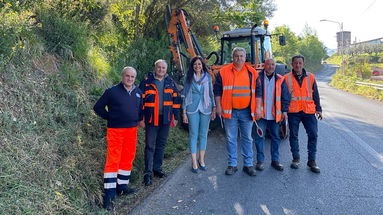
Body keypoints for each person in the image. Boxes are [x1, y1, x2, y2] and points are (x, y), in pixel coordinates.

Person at [93, 66, 143, 211]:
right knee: (113, 160)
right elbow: (98, 108)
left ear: (135, 78)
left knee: (127, 158)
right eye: (127, 76)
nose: (130, 79)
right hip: (116, 130)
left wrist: (139, 119)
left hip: (132, 130)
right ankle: (109, 195)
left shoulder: (138, 92)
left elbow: (140, 111)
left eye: (132, 77)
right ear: (122, 76)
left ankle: (122, 187)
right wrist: (111, 117)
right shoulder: (112, 92)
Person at [214, 47, 262, 176]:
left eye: (241, 56)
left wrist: (258, 108)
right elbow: (217, 91)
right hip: (230, 111)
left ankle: (248, 165)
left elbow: (258, 92)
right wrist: (218, 106)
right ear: (232, 57)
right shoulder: (224, 72)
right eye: (236, 56)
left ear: (245, 58)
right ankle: (232, 164)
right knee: (231, 138)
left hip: (247, 111)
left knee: (247, 138)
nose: (239, 58)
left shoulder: (252, 72)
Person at [139, 59, 181, 186]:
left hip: (166, 119)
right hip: (151, 119)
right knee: (150, 146)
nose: (161, 70)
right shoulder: (146, 82)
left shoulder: (170, 82)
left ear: (166, 69)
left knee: (161, 145)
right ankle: (148, 173)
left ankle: (157, 168)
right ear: (155, 68)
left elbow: (176, 100)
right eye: (159, 67)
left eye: (163, 68)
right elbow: (139, 101)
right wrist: (141, 118)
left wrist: (175, 116)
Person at [284, 55, 323, 173]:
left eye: (300, 63)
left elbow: (315, 93)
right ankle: (296, 159)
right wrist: (284, 111)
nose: (298, 65)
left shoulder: (311, 77)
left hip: (308, 111)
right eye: (295, 63)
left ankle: (312, 161)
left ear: (303, 64)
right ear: (292, 64)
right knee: (293, 136)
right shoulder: (286, 78)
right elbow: (284, 96)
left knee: (313, 134)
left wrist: (319, 109)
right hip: (293, 111)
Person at [252, 58, 290, 172]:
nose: (271, 67)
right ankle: (260, 161)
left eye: (273, 64)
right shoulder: (257, 78)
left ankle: (275, 161)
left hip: (275, 116)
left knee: (275, 138)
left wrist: (284, 111)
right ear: (264, 65)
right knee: (259, 138)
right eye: (268, 64)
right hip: (261, 115)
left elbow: (285, 96)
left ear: (275, 66)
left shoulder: (281, 79)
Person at [182, 56, 216, 173]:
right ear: (192, 66)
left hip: (206, 109)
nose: (197, 66)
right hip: (192, 109)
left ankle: (201, 160)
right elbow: (185, 95)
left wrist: (214, 108)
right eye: (195, 64)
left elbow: (211, 94)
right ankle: (194, 162)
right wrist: (184, 112)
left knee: (203, 135)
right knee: (193, 135)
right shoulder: (188, 78)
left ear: (202, 66)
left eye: (199, 64)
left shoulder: (208, 77)